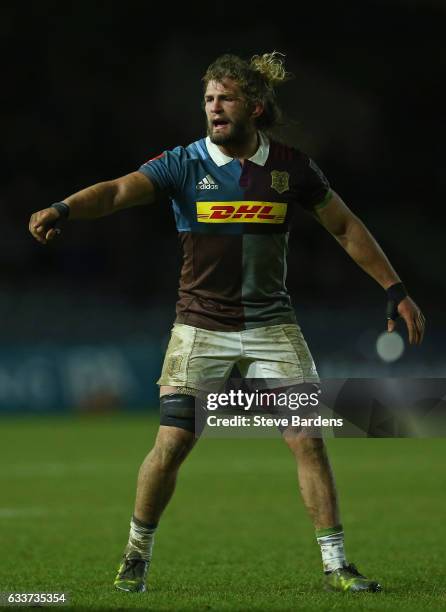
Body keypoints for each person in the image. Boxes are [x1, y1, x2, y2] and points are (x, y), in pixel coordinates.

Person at [29, 51, 425, 595]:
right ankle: (135, 556)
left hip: (273, 325)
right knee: (172, 443)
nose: (214, 107)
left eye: (226, 98)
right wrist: (64, 208)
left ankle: (337, 565)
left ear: (255, 108)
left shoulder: (291, 168)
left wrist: (395, 288)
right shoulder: (183, 164)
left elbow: (345, 226)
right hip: (199, 327)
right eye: (209, 98)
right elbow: (120, 191)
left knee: (307, 438)